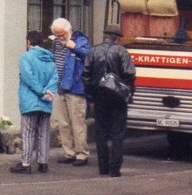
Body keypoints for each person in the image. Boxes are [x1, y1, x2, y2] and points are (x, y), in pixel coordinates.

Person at [82, 23, 136, 177]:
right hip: (118, 97)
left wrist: (92, 93)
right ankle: (115, 169)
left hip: (100, 96)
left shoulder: (93, 51)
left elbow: (86, 75)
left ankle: (103, 167)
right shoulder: (121, 51)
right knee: (117, 133)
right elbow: (130, 73)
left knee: (101, 132)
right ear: (117, 38)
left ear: (105, 35)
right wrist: (128, 91)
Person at [10, 30, 57, 175]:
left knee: (28, 132)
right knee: (43, 132)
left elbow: (27, 76)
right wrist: (47, 92)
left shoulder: (26, 57)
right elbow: (55, 78)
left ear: (28, 42)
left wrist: (40, 91)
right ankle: (43, 163)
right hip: (46, 102)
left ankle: (26, 163)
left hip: (30, 101)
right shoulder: (50, 59)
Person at [49, 18, 91, 166]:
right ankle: (69, 152)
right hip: (60, 87)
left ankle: (82, 154)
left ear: (69, 30)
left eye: (62, 34)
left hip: (76, 87)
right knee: (63, 123)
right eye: (56, 35)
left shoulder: (80, 40)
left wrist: (74, 47)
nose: (60, 38)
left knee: (77, 123)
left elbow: (90, 57)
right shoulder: (56, 43)